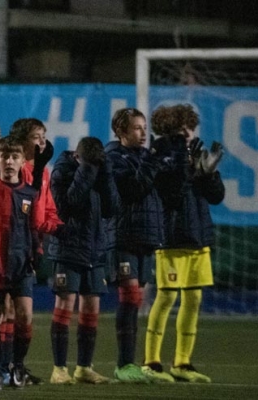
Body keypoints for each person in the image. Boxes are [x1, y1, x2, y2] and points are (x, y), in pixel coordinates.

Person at [145, 104, 225, 383]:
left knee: (193, 299)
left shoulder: (196, 154)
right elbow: (170, 195)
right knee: (166, 297)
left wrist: (208, 174)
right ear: (170, 130)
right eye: (183, 128)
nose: (189, 132)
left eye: (191, 127)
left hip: (197, 236)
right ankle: (151, 362)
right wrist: (188, 170)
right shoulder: (161, 156)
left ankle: (182, 363)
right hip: (171, 237)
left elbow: (216, 197)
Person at [0, 136, 62, 390]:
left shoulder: (29, 192)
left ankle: (17, 366)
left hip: (22, 263)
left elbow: (34, 227)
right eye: (5, 156)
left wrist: (36, 251)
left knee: (25, 315)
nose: (9, 161)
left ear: (23, 161)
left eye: (15, 157)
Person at [47, 137, 118, 385]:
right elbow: (68, 205)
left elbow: (112, 208)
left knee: (91, 309)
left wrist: (105, 174)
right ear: (77, 157)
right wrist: (86, 170)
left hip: (95, 251)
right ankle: (59, 369)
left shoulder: (100, 171)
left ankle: (84, 368)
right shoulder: (62, 171)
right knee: (65, 306)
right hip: (68, 249)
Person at [104, 108, 165, 383]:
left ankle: (131, 364)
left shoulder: (145, 157)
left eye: (144, 127)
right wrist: (152, 162)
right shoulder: (113, 158)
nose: (143, 133)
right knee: (129, 298)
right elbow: (132, 190)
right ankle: (124, 364)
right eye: (137, 128)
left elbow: (165, 192)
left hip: (146, 235)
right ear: (121, 131)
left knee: (136, 300)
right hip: (124, 236)